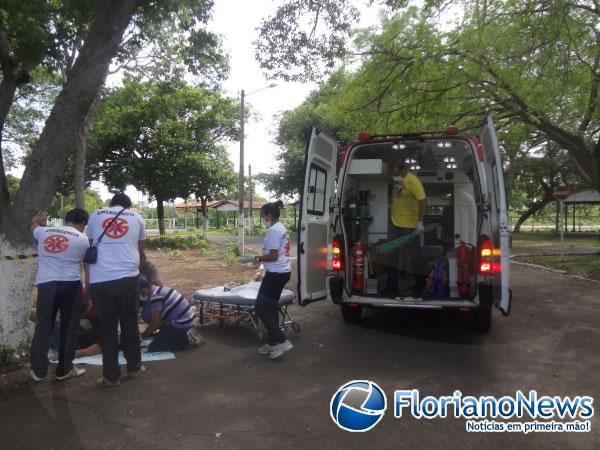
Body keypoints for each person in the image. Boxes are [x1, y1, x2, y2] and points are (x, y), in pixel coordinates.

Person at [87, 193, 146, 387]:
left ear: (111, 204)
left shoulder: (95, 215)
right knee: (130, 324)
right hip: (128, 277)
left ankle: (111, 377)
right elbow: (141, 249)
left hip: (101, 279)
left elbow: (90, 243)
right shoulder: (136, 217)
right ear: (127, 206)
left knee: (107, 327)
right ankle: (134, 367)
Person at [29, 208, 90, 382]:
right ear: (82, 224)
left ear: (67, 219)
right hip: (70, 285)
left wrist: (36, 220)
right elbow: (87, 266)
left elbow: (33, 228)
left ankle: (38, 371)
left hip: (46, 285)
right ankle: (64, 370)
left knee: (43, 327)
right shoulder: (83, 239)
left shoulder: (43, 232)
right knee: (69, 328)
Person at [254, 200, 293, 360]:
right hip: (281, 272)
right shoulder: (280, 227)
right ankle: (272, 343)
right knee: (270, 307)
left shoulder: (274, 231)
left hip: (276, 274)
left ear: (269, 215)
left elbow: (273, 255)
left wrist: (258, 258)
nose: (262, 218)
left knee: (260, 307)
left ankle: (282, 341)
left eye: (263, 215)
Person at [385, 161, 428, 296]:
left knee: (414, 257)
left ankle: (420, 285)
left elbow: (424, 202)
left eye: (395, 171)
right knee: (392, 256)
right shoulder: (396, 179)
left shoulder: (413, 181)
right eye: (392, 171)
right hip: (394, 224)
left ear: (403, 170)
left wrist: (420, 222)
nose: (393, 173)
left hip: (409, 226)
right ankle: (391, 287)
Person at [139, 277, 204, 352]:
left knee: (154, 348)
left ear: (144, 289)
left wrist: (143, 336)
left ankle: (187, 340)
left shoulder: (155, 297)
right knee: (157, 339)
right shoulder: (158, 290)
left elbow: (155, 323)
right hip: (184, 321)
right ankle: (184, 335)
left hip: (180, 324)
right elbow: (161, 320)